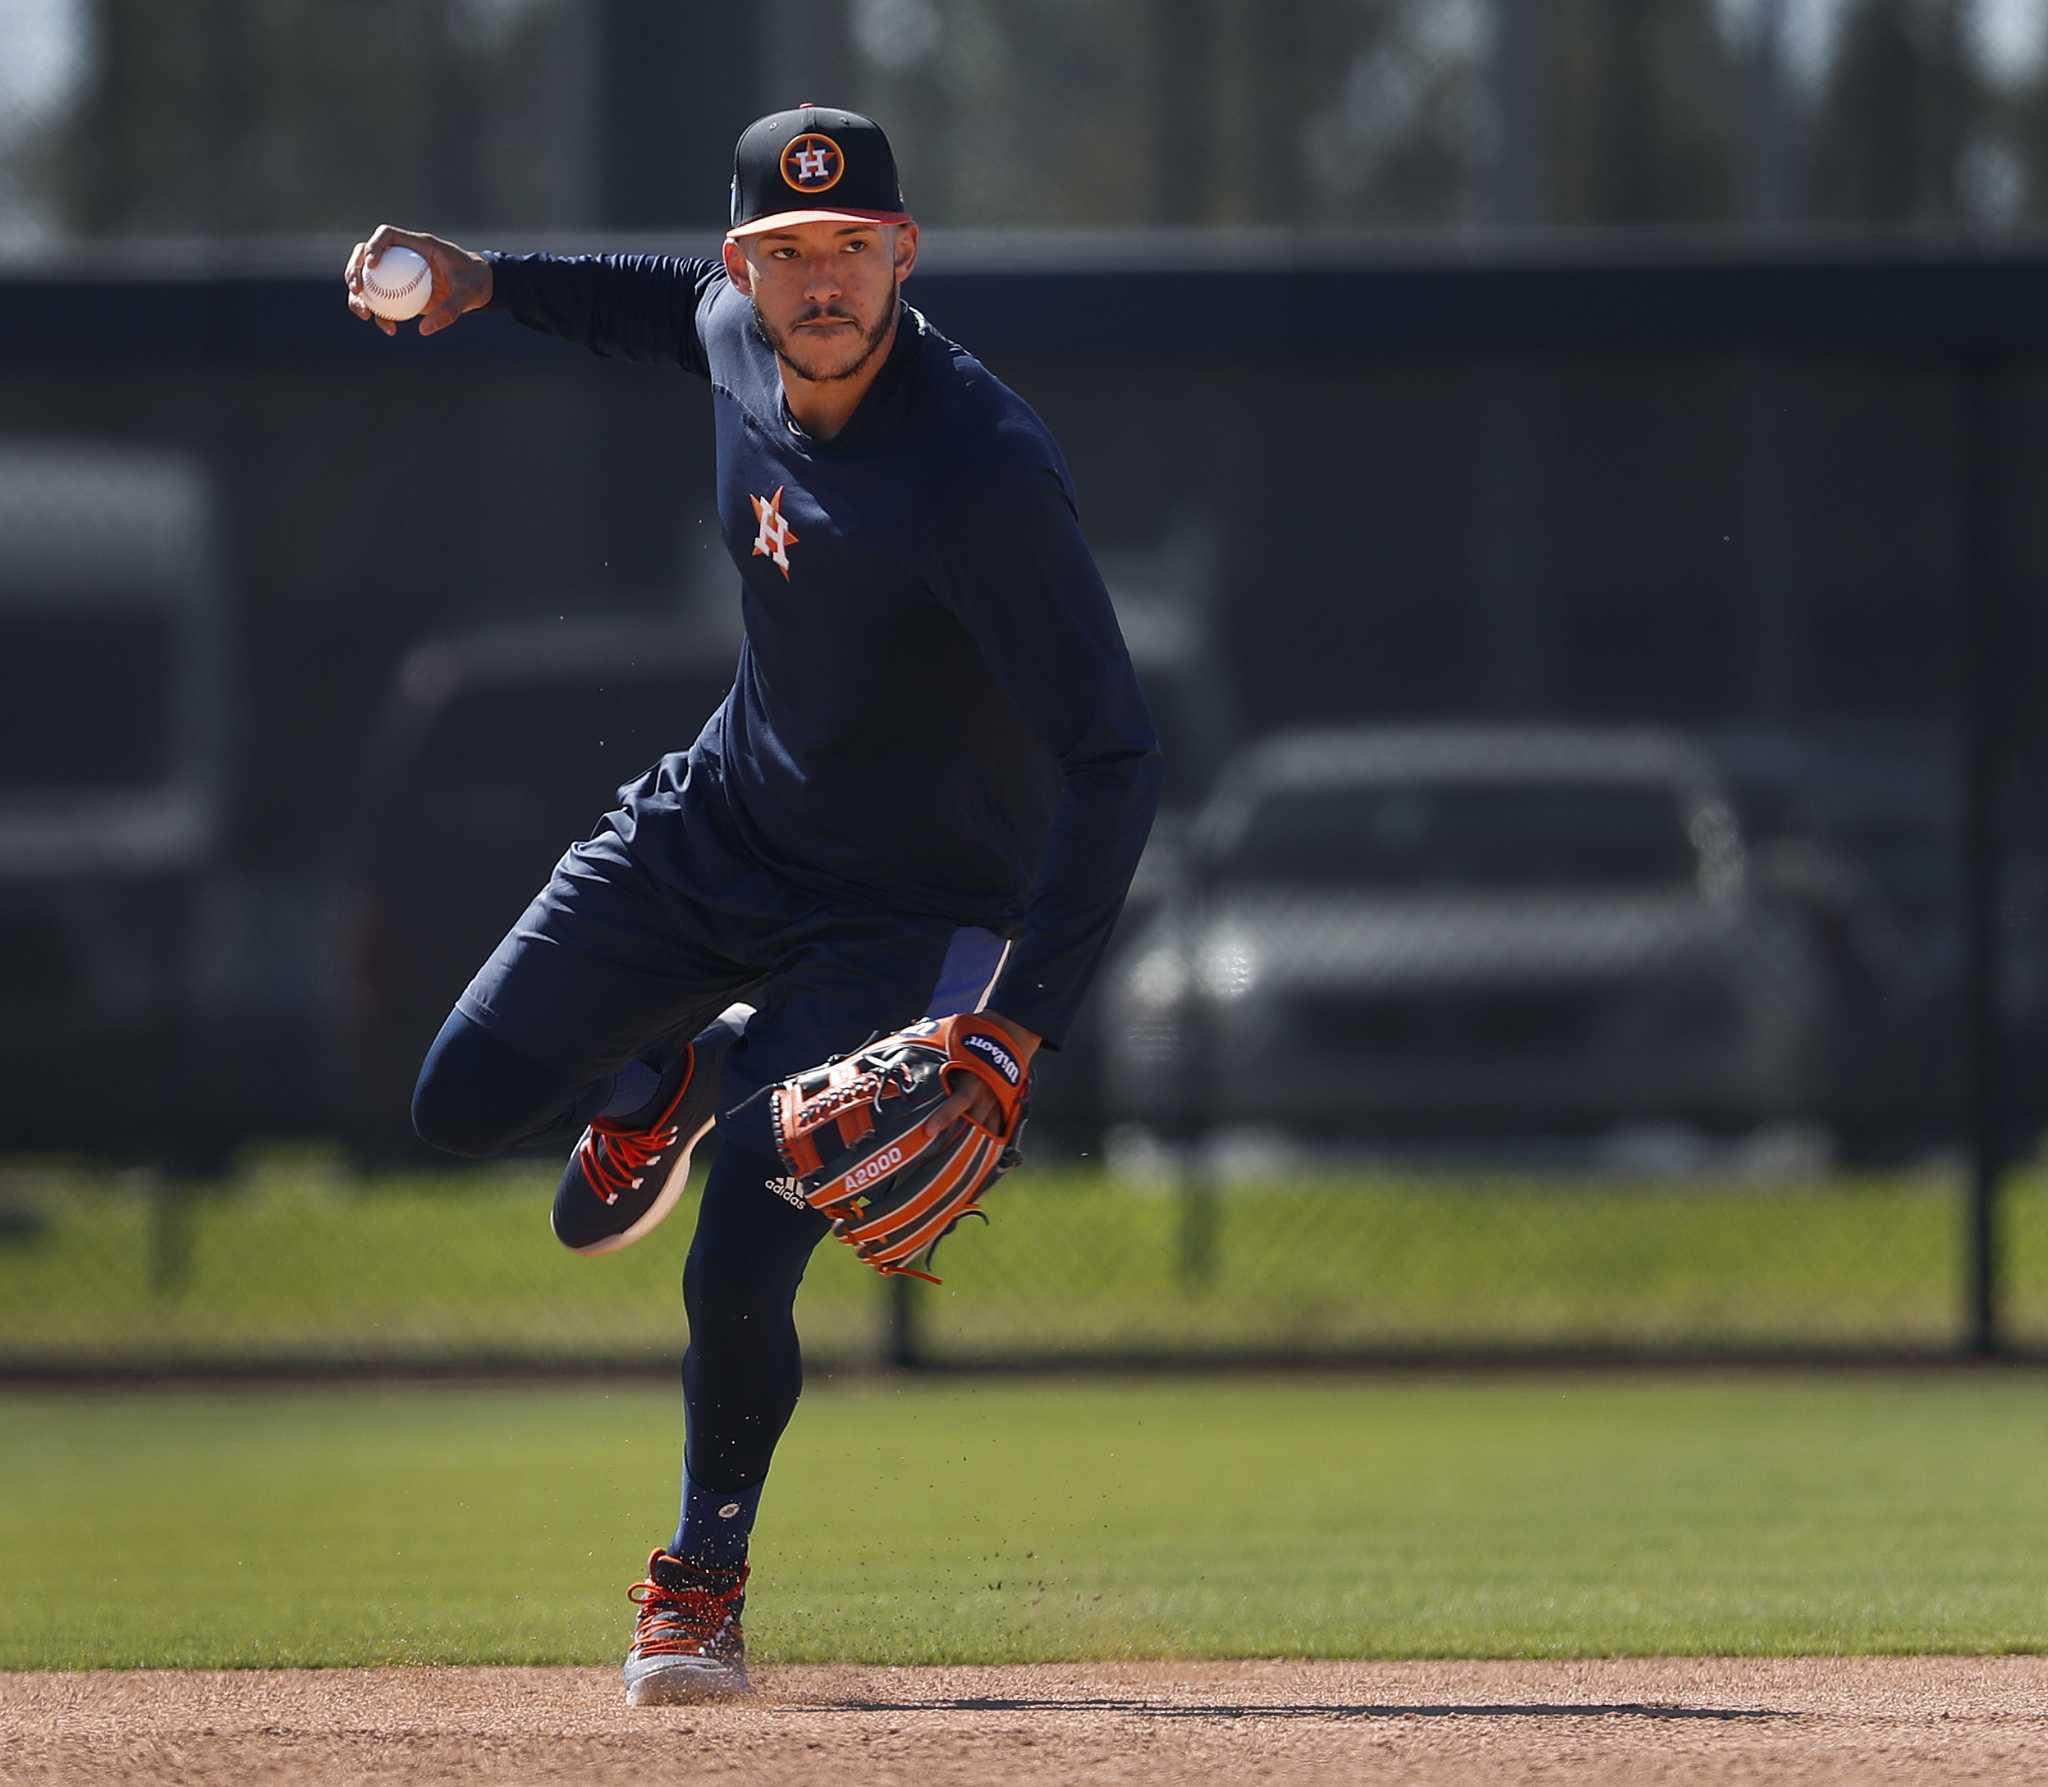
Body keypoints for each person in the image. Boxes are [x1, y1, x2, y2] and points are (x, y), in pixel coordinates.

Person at [344, 104, 1162, 1705]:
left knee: (743, 1241)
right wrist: (483, 280)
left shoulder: (980, 474)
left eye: (854, 245)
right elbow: (660, 308)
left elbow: (1117, 756)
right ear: (749, 267)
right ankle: (678, 1074)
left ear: (904, 253)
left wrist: (1015, 1029)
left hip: (911, 912)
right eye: (790, 255)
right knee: (458, 1102)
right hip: (718, 822)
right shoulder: (730, 322)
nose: (823, 281)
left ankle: (698, 1583)